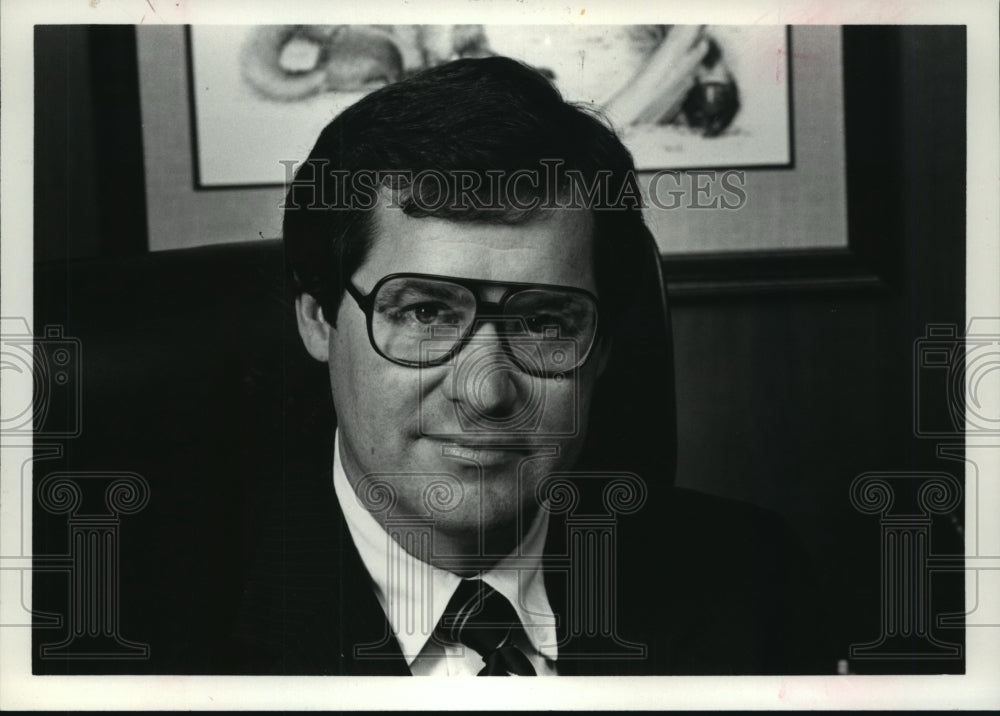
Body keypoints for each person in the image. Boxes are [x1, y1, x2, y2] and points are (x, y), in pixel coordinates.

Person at [234, 56, 833, 676]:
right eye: (426, 312)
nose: (488, 390)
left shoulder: (754, 583)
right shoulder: (162, 614)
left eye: (545, 322)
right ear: (317, 318)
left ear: (601, 349)